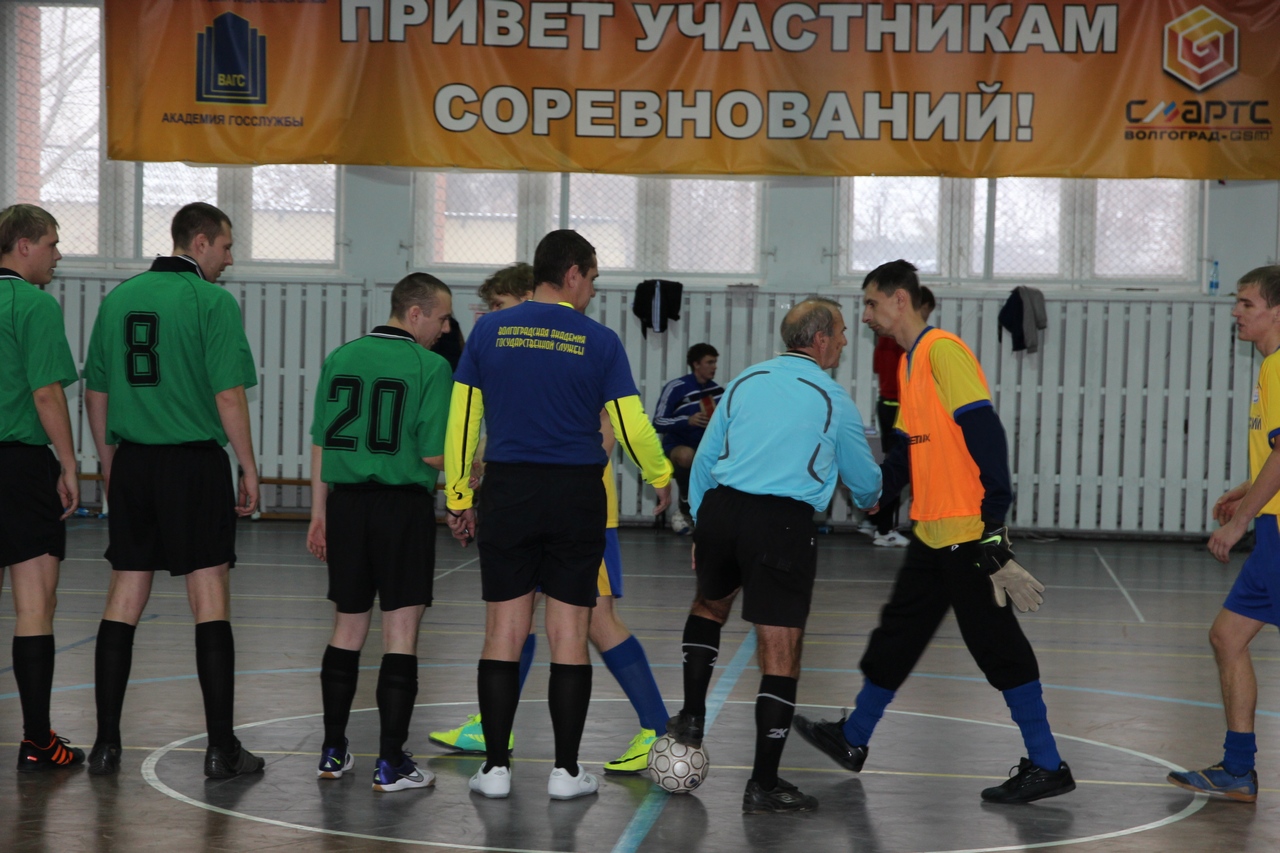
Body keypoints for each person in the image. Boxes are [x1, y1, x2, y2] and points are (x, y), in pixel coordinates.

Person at [795, 260, 1074, 805]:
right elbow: (907, 450)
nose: (865, 315)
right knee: (897, 636)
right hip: (931, 532)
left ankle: (1046, 764)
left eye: (871, 303)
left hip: (966, 530)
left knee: (997, 645)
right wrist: (878, 495)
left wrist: (994, 522)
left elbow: (984, 429)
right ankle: (854, 736)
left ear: (900, 299)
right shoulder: (910, 362)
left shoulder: (943, 351)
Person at [443, 230, 673, 800]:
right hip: (575, 495)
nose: (592, 290)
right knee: (569, 633)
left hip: (510, 492)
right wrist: (660, 475)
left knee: (504, 630)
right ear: (571, 274)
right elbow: (630, 421)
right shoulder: (600, 340)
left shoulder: (489, 331)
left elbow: (463, 417)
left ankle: (496, 770)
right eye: (591, 279)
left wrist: (458, 495)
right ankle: (566, 773)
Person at [666, 298, 881, 814]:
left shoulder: (744, 381)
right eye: (842, 333)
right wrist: (872, 497)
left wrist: (700, 523)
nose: (845, 341)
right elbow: (865, 481)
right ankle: (763, 783)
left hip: (722, 510)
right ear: (821, 339)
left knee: (709, 606)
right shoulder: (832, 399)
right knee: (780, 650)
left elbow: (706, 457)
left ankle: (692, 715)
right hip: (781, 523)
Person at [82, 202, 263, 779]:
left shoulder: (119, 298)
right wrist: (248, 466)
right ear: (200, 242)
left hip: (134, 462)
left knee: (123, 597)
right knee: (209, 598)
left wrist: (109, 463)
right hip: (192, 464)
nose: (229, 260)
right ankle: (220, 748)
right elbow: (228, 395)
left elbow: (96, 392)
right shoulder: (212, 302)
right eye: (226, 247)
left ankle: (106, 744)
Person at [306, 273, 454, 792]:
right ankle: (390, 762)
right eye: (441, 318)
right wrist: (477, 464)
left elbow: (321, 442)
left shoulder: (340, 357)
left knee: (346, 629)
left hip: (346, 506)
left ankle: (332, 750)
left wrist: (318, 512)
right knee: (400, 634)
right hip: (401, 508)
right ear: (415, 314)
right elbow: (434, 454)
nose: (445, 328)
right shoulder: (430, 367)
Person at [1167, 265, 1280, 803]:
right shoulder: (1269, 368)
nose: (1236, 311)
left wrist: (1239, 523)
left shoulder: (1279, 367)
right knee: (1227, 637)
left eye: (1247, 304)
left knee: (1227, 638)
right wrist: (1245, 491)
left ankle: (1238, 769)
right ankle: (1237, 769)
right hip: (1273, 529)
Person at [0, 204, 84, 771]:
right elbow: (47, 393)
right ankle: (36, 740)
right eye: (52, 243)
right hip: (17, 466)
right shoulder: (32, 305)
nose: (57, 254)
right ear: (24, 246)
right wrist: (70, 463)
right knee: (35, 603)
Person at [864, 286, 935, 547]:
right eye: (925, 311)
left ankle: (875, 522)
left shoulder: (885, 337)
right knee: (900, 466)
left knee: (893, 465)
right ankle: (884, 529)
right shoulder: (904, 340)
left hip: (887, 404)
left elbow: (877, 368)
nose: (925, 318)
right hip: (899, 407)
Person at [654, 344, 723, 534]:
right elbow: (658, 421)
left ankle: (715, 514)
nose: (714, 367)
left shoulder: (718, 392)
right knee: (687, 456)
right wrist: (687, 421)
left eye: (715, 362)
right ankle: (685, 504)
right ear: (696, 364)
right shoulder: (676, 387)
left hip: (706, 448)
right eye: (710, 362)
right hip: (678, 445)